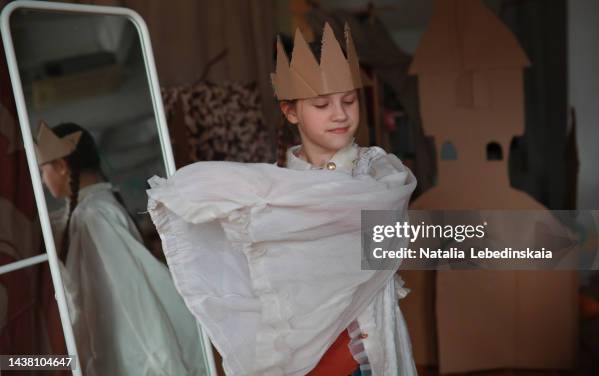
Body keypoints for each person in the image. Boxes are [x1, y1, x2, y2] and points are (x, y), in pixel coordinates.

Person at [147, 23, 418, 375]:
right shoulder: (273, 187)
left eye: (349, 100)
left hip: (364, 354)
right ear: (291, 112)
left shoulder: (379, 172)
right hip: (303, 360)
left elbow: (384, 221)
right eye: (322, 104)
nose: (340, 114)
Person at [36, 121, 208, 376]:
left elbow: (132, 294)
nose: (42, 179)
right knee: (12, 362)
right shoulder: (90, 210)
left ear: (61, 167)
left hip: (126, 350)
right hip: (112, 347)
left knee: (12, 362)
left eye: (43, 170)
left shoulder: (94, 215)